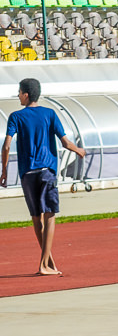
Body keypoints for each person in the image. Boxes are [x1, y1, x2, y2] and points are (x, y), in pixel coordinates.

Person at [0, 78, 87, 275]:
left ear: (26, 94)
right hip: (46, 170)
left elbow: (6, 146)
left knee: (35, 216)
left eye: (19, 92)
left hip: (27, 173)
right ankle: (44, 264)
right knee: (50, 214)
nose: (18, 95)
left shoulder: (15, 117)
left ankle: (48, 262)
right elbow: (65, 143)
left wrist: (4, 171)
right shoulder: (49, 114)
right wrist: (79, 150)